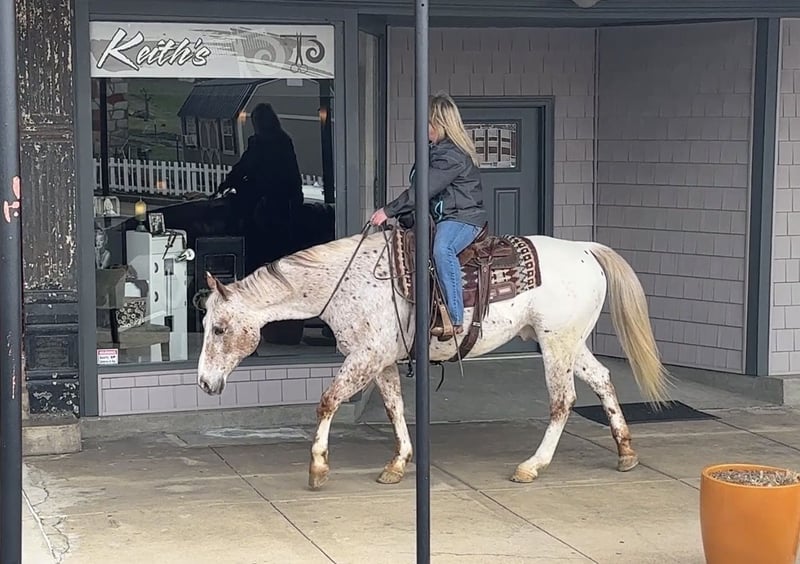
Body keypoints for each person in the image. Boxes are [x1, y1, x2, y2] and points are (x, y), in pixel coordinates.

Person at [370, 93, 486, 339]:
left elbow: (423, 189)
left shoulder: (451, 156)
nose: (423, 129)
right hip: (445, 216)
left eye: (427, 124)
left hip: (462, 218)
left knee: (442, 250)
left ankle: (455, 318)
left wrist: (388, 211)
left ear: (440, 124)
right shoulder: (435, 151)